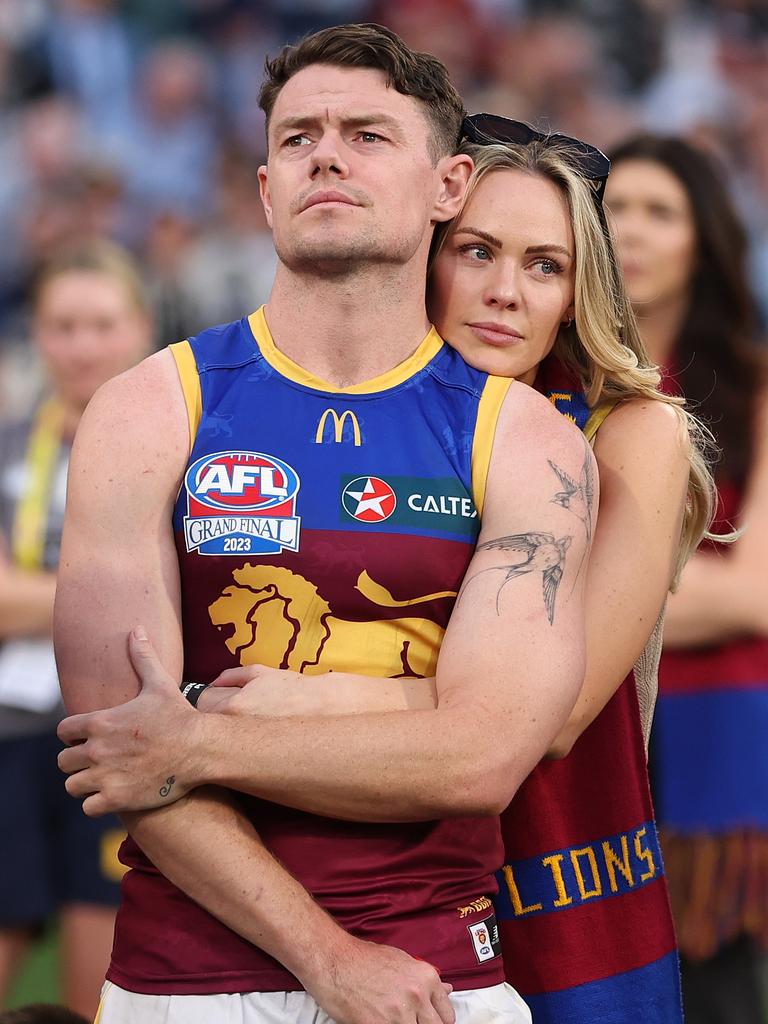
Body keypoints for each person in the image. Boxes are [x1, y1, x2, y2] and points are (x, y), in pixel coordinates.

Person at [53, 24, 592, 1024]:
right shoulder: (146, 408)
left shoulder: (526, 442)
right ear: (265, 190)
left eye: (368, 135)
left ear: (448, 184)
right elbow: (120, 748)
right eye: (299, 138)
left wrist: (201, 741)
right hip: (187, 976)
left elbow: (481, 759)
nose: (327, 154)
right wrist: (330, 957)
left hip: (440, 974)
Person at [185, 123, 717, 1022]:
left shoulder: (630, 431)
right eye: (477, 252)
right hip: (384, 875)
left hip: (565, 879)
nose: (505, 293)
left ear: (576, 292)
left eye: (545, 266)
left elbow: (554, 713)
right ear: (429, 253)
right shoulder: (342, 410)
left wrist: (300, 702)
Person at [606, 133, 768, 1024]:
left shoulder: (753, 388)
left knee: (711, 985)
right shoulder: (556, 385)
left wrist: (599, 592)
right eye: (616, 208)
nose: (630, 230)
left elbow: (754, 594)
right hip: (579, 718)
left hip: (710, 740)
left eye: (659, 211)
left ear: (702, 237)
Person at [0, 242, 152, 1018]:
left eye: (101, 323)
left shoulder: (179, 445)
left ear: (142, 329)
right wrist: (120, 587)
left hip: (117, 737)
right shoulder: (9, 445)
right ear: (36, 335)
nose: (82, 344)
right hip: (12, 735)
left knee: (101, 1002)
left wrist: (35, 593)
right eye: (63, 325)